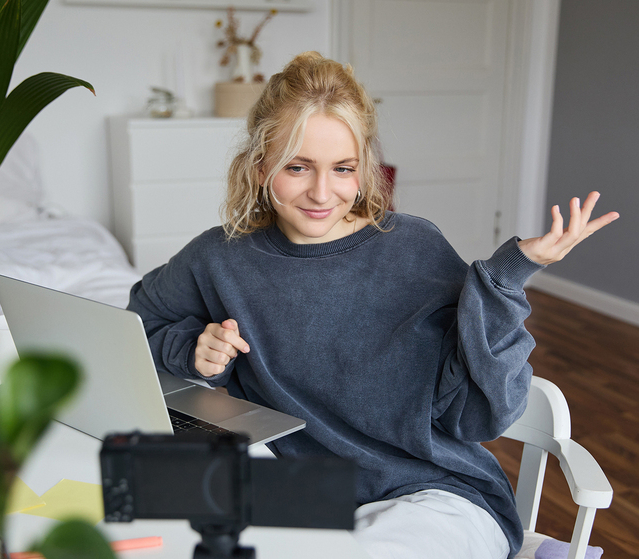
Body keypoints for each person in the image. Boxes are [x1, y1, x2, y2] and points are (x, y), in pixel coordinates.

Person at [127, 52, 619, 559]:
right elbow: (139, 321)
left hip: (430, 493)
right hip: (298, 491)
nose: (322, 192)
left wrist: (506, 278)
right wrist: (193, 350)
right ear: (258, 168)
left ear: (363, 170)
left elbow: (480, 417)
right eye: (297, 167)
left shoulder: (415, 248)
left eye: (342, 168)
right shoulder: (219, 256)